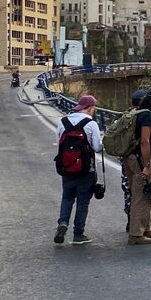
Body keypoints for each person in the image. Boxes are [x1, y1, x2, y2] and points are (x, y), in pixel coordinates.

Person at [120, 85, 151, 232]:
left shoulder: (131, 114)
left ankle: (145, 225)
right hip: (139, 159)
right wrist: (147, 165)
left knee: (135, 192)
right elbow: (145, 141)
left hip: (129, 157)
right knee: (141, 194)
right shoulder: (146, 115)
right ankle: (137, 231)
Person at [54, 94, 102, 246]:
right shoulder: (91, 123)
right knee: (82, 201)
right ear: (89, 108)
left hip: (66, 167)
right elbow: (97, 147)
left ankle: (63, 223)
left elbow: (58, 143)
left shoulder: (63, 121)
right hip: (85, 169)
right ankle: (78, 234)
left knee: (67, 197)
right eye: (93, 108)